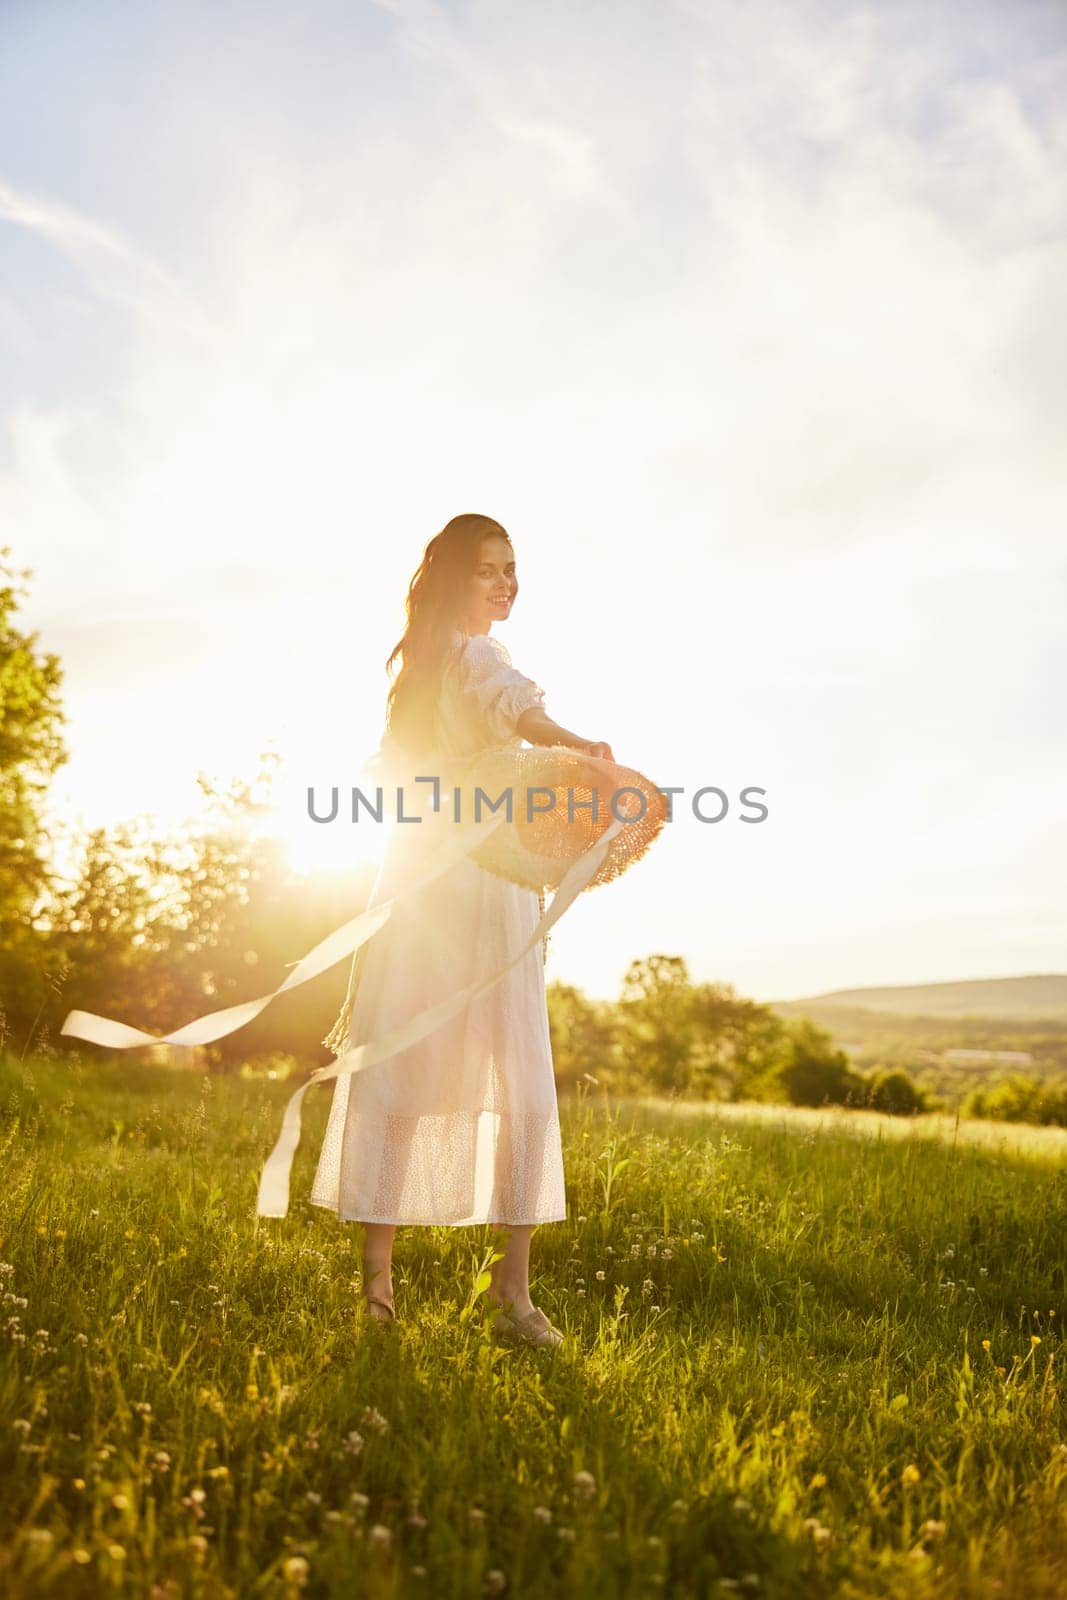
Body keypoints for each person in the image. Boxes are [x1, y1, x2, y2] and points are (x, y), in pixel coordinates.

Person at [309, 514, 614, 1348]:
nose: (507, 582)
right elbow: (517, 714)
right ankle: (510, 1300)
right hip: (477, 887)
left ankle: (378, 1299)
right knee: (512, 1072)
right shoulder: (476, 658)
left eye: (512, 569)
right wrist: (582, 745)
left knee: (406, 1065)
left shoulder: (423, 662)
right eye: (488, 570)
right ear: (453, 577)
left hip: (417, 880)